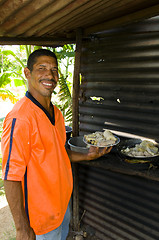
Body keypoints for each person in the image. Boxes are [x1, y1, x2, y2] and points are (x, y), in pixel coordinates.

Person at [1, 49, 112, 240]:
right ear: (27, 73)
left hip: (61, 209)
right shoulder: (21, 118)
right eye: (41, 68)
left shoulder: (57, 114)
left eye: (54, 69)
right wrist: (21, 228)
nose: (49, 75)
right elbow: (11, 176)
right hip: (39, 221)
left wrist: (87, 155)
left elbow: (59, 153)